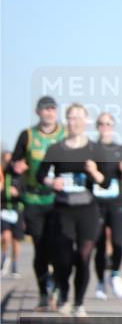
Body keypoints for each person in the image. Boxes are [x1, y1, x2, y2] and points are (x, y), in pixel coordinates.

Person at [35, 103, 111, 317]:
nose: (76, 121)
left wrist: (95, 172)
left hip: (87, 209)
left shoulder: (95, 149)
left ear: (86, 121)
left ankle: (78, 303)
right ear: (66, 121)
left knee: (84, 256)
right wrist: (52, 182)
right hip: (63, 209)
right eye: (71, 117)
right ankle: (64, 291)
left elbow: (105, 182)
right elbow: (41, 175)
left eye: (80, 117)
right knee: (64, 258)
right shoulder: (56, 149)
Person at [11, 96, 65, 309]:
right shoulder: (27, 135)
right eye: (45, 109)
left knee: (59, 246)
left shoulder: (65, 134)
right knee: (40, 248)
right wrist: (17, 168)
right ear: (38, 112)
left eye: (52, 109)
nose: (49, 113)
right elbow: (14, 162)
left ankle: (59, 286)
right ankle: (44, 293)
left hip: (59, 199)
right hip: (34, 198)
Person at [92, 113, 122, 299]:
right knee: (99, 245)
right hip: (96, 202)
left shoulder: (121, 149)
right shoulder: (91, 148)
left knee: (118, 241)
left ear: (113, 127)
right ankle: (100, 282)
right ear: (97, 126)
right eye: (102, 124)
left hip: (116, 201)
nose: (105, 127)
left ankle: (115, 274)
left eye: (108, 124)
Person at [1, 152, 25, 278]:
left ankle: (15, 265)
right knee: (6, 236)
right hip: (4, 209)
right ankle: (4, 258)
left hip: (17, 211)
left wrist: (18, 194)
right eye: (5, 160)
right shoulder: (3, 175)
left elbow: (26, 194)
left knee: (16, 241)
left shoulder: (21, 176)